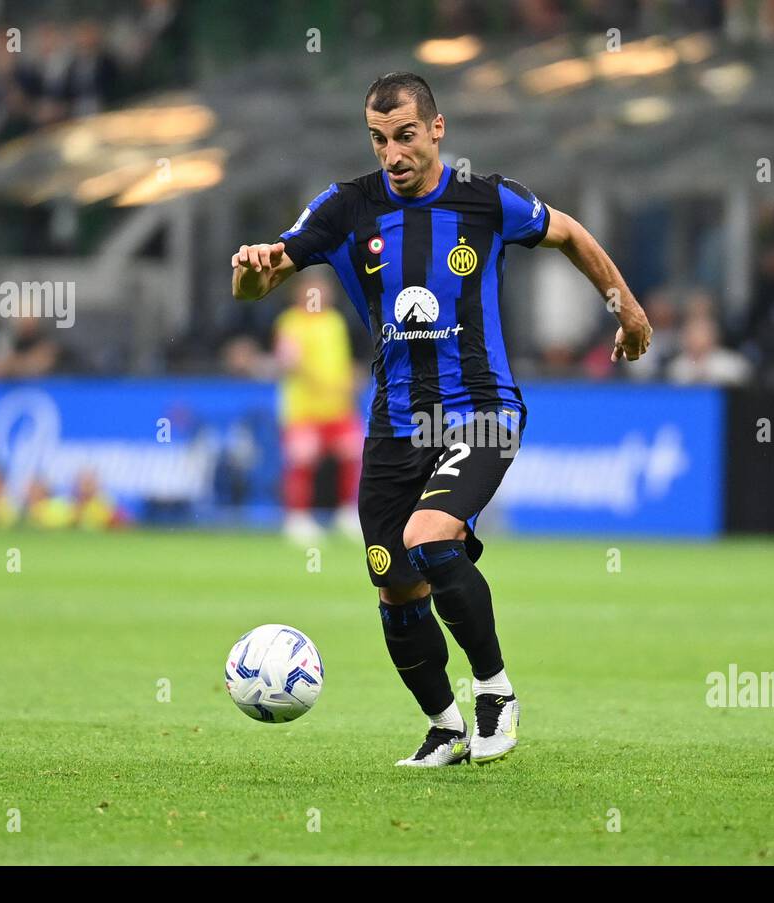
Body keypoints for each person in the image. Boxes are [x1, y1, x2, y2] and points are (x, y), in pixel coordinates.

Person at [230, 72, 652, 767]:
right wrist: (249, 268)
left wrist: (627, 309)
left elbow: (570, 232)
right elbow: (260, 281)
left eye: (403, 136)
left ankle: (496, 693)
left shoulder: (486, 200)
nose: (391, 153)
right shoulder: (343, 208)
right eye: (377, 139)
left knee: (430, 537)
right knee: (393, 581)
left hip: (481, 411)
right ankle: (445, 727)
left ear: (436, 129)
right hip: (397, 425)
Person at [273, 276, 363, 544]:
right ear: (300, 294)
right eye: (315, 292)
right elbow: (289, 363)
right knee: (302, 462)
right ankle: (297, 518)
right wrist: (322, 382)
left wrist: (349, 377)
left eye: (324, 291)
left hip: (338, 407)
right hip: (304, 408)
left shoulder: (334, 321)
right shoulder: (291, 322)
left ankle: (347, 513)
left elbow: (341, 360)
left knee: (352, 455)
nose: (320, 297)